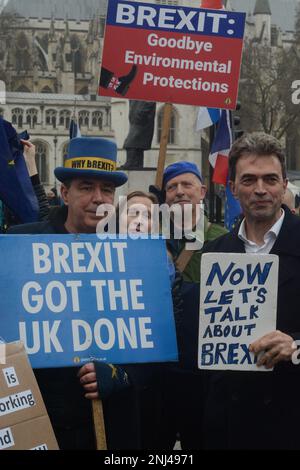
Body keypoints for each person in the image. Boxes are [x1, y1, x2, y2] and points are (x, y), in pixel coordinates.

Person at [8, 136, 128, 450]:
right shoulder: (22, 244)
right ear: (64, 193)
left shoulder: (132, 254)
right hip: (39, 418)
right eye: (86, 187)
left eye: (107, 190)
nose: (98, 198)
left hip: (108, 424)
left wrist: (120, 375)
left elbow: (152, 344)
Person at [201, 132, 300, 450]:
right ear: (232, 188)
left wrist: (296, 348)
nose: (260, 190)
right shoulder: (213, 252)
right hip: (230, 425)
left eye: (270, 179)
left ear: (284, 185)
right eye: (249, 180)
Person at [78, 190, 183, 449]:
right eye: (132, 213)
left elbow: (169, 334)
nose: (139, 220)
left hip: (144, 389)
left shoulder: (167, 271)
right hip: (96, 384)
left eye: (147, 215)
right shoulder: (93, 260)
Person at [155, 161, 227, 449]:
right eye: (171, 187)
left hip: (205, 375)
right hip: (162, 371)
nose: (179, 192)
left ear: (202, 191)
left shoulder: (223, 239)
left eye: (186, 185)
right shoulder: (152, 239)